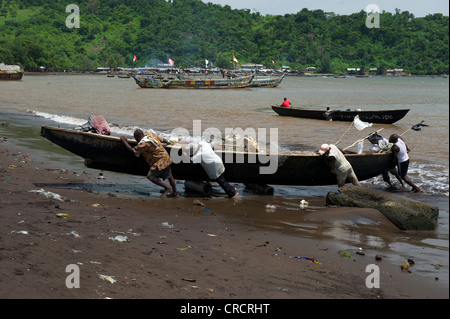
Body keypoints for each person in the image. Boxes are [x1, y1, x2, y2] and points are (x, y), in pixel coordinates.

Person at [120, 129, 179, 197]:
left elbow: (133, 151)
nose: (137, 141)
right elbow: (163, 139)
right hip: (166, 157)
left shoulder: (144, 144)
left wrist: (124, 141)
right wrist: (168, 143)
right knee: (170, 176)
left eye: (136, 139)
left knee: (150, 176)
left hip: (159, 161)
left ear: (139, 136)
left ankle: (167, 187)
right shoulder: (151, 135)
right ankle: (175, 193)